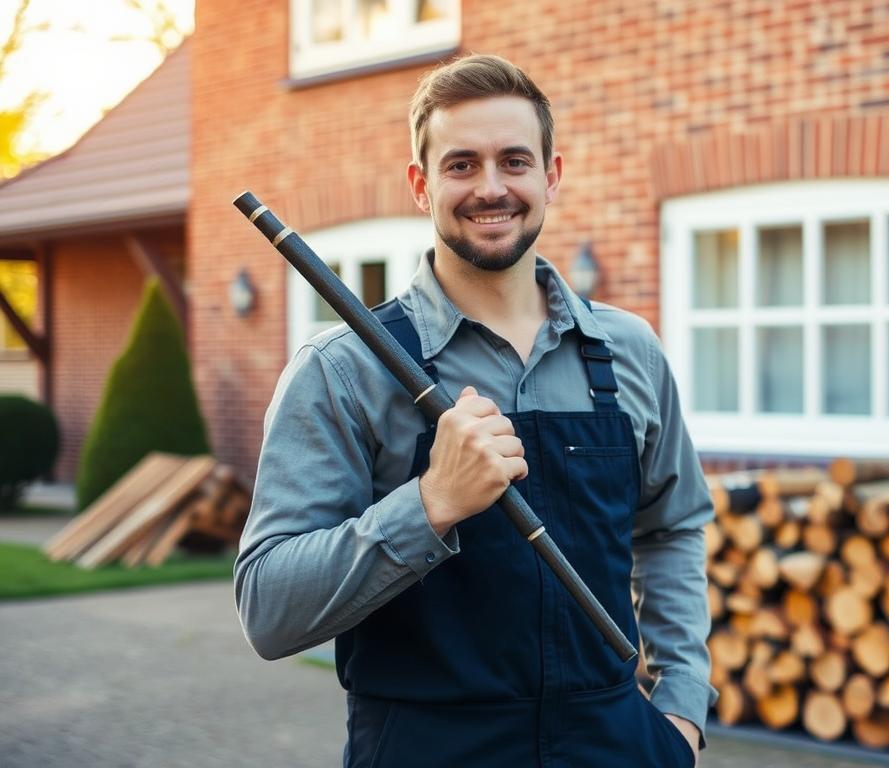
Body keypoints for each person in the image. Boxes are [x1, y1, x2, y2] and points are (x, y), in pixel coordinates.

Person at [235, 54, 715, 767]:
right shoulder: (341, 371)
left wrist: (681, 709)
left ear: (551, 175)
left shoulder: (628, 351)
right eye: (461, 165)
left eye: (514, 161)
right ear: (420, 184)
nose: (491, 188)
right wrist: (429, 504)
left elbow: (672, 529)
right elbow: (269, 609)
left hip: (614, 745)